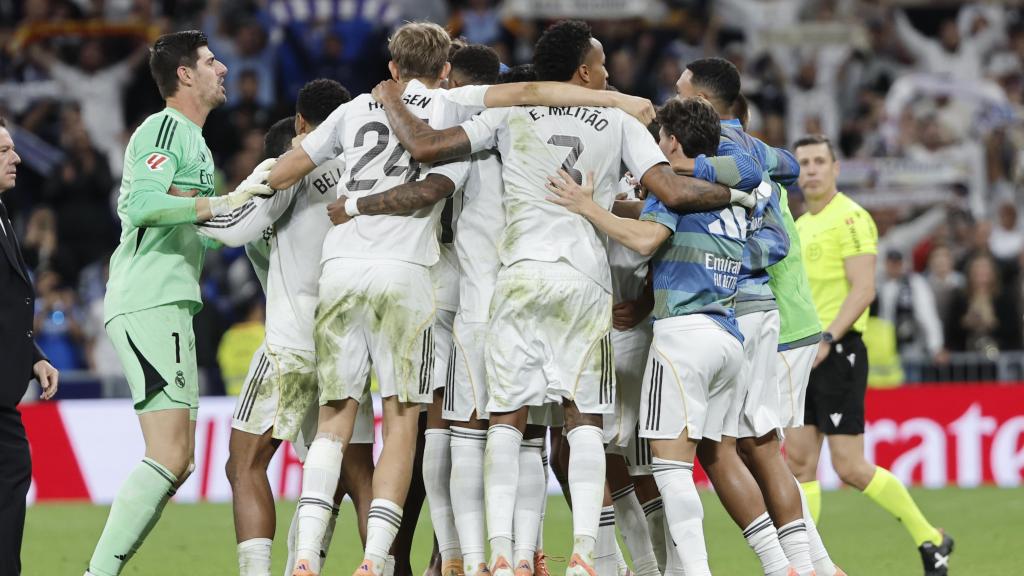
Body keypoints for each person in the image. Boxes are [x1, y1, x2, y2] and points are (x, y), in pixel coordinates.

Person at [267, 21, 657, 576]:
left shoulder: (399, 114)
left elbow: (293, 171)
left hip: (445, 293)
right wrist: (617, 100)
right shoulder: (473, 109)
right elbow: (524, 101)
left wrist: (249, 197)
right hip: (525, 284)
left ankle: (460, 557)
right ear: (446, 70)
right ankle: (536, 555)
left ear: (394, 67)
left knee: (448, 429)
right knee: (538, 431)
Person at [371, 20, 750, 576]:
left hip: (520, 277)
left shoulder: (508, 113)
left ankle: (500, 554)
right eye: (599, 64)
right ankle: (581, 556)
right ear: (581, 72)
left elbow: (426, 146)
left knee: (506, 418)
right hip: (584, 282)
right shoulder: (617, 119)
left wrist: (391, 101)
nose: (606, 72)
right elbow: (669, 190)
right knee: (584, 420)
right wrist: (740, 192)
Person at [84, 30, 279, 576]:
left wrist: (259, 210)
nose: (223, 68)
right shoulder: (163, 128)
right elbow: (142, 203)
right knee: (169, 456)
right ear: (185, 75)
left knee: (181, 461)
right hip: (149, 298)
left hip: (171, 303)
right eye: (212, 61)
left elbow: (209, 225)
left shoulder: (196, 142)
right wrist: (217, 201)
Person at [545, 95, 749, 576]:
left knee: (656, 468)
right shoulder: (725, 184)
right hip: (720, 330)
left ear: (671, 142)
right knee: (622, 458)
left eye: (657, 135)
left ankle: (669, 570)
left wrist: (586, 205)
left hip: (658, 335)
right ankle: (643, 566)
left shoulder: (673, 187)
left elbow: (648, 237)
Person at [195, 78, 378, 576]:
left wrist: (183, 209)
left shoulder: (290, 163)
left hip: (293, 342)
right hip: (353, 339)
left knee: (244, 462)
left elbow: (235, 229)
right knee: (357, 472)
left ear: (301, 124)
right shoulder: (371, 163)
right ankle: (377, 565)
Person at [677, 56, 830, 576]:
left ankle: (784, 565)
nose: (671, 99)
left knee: (718, 448)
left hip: (733, 309)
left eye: (680, 91)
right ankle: (809, 565)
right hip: (760, 308)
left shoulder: (707, 152)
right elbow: (787, 165)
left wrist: (718, 256)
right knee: (760, 443)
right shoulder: (753, 150)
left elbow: (777, 239)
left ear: (700, 102)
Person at [786, 134, 954, 576]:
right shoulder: (799, 225)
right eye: (804, 162)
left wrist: (827, 337)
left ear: (836, 168)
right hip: (806, 353)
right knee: (800, 462)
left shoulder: (852, 218)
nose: (812, 169)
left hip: (837, 350)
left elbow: (864, 290)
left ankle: (931, 538)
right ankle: (806, 565)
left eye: (820, 160)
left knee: (849, 467)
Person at [0, 114, 60, 576]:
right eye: (4, 151)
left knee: (12, 475)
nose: (16, 157)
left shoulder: (2, 212)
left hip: (6, 387)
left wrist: (34, 356)